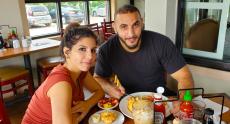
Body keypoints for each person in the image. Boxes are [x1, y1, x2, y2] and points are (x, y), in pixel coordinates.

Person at [94, 5, 194, 99]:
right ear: (114, 27)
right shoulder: (106, 50)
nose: (131, 33)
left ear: (142, 23)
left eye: (136, 25)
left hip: (161, 99)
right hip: (128, 100)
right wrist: (109, 88)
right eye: (124, 26)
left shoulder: (162, 43)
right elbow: (98, 78)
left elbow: (185, 78)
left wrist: (184, 102)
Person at [22, 22, 104, 124]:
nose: (90, 56)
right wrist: (74, 117)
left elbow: (100, 91)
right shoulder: (61, 84)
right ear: (67, 52)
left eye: (92, 50)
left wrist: (87, 104)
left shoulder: (80, 71)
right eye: (82, 49)